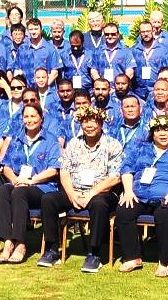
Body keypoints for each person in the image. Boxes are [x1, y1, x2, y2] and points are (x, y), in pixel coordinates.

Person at [44, 106, 122, 273]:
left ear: (101, 123)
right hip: (75, 191)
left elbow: (115, 177)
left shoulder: (113, 145)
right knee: (48, 199)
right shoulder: (73, 143)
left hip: (102, 193)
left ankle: (94, 253)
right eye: (85, 121)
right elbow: (64, 171)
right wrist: (71, 194)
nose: (89, 125)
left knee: (99, 204)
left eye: (93, 121)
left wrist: (91, 193)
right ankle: (51, 249)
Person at [116, 116, 168, 276]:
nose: (162, 133)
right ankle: (132, 257)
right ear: (152, 133)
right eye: (158, 130)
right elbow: (126, 169)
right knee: (124, 210)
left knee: (165, 214)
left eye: (166, 130)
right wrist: (128, 190)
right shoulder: (141, 148)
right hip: (139, 194)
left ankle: (164, 262)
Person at [0, 104, 61, 265]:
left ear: (41, 118)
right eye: (26, 117)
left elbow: (54, 170)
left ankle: (21, 243)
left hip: (42, 187)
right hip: (20, 183)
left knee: (19, 193)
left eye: (33, 116)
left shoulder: (50, 140)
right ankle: (8, 241)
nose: (29, 120)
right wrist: (15, 180)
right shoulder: (17, 139)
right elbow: (6, 166)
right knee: (3, 190)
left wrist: (30, 181)